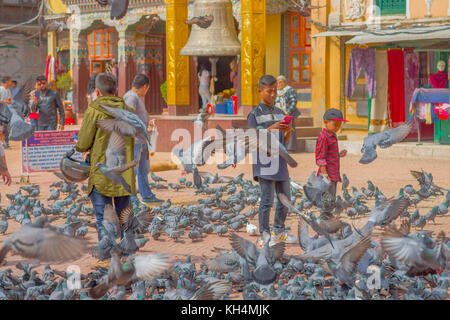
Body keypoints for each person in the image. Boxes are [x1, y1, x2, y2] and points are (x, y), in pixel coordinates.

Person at [75, 72, 136, 243]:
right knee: (125, 214)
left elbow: (83, 143)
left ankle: (107, 251)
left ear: (97, 91)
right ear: (116, 90)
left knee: (104, 217)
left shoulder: (94, 111)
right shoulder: (128, 111)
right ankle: (128, 247)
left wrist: (82, 147)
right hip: (124, 173)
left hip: (102, 173)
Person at [248, 74, 297, 248]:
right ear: (260, 91)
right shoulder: (254, 114)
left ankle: (279, 231)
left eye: (276, 91)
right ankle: (264, 235)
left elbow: (285, 138)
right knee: (267, 200)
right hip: (264, 163)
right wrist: (272, 128)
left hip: (280, 162)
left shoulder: (280, 112)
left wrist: (287, 129)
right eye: (269, 91)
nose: (273, 95)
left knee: (285, 199)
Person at [123, 74, 163, 204]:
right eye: (147, 89)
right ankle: (131, 198)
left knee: (143, 170)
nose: (146, 91)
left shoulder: (135, 97)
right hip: (134, 140)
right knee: (133, 170)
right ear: (144, 86)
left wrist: (147, 126)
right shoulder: (131, 97)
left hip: (141, 140)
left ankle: (146, 195)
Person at [315, 108, 348, 219]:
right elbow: (320, 158)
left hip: (333, 174)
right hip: (327, 175)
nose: (338, 127)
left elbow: (329, 155)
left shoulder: (332, 135)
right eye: (335, 124)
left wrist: (338, 155)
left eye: (339, 125)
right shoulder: (324, 137)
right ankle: (324, 220)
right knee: (327, 199)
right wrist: (325, 175)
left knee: (331, 198)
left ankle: (327, 218)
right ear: (326, 122)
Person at [276, 75, 300, 152]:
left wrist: (288, 111)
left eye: (281, 82)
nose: (279, 84)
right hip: (278, 114)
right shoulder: (276, 91)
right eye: (278, 82)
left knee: (290, 130)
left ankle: (291, 148)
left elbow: (294, 101)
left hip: (288, 113)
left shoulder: (289, 90)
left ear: (285, 83)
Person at [0, 76, 12, 149]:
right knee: (1, 130)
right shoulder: (0, 89)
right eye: (10, 81)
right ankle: (2, 143)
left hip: (6, 113)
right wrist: (5, 101)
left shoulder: (8, 90)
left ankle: (6, 143)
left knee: (6, 129)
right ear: (7, 81)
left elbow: (9, 101)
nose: (11, 82)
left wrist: (9, 100)